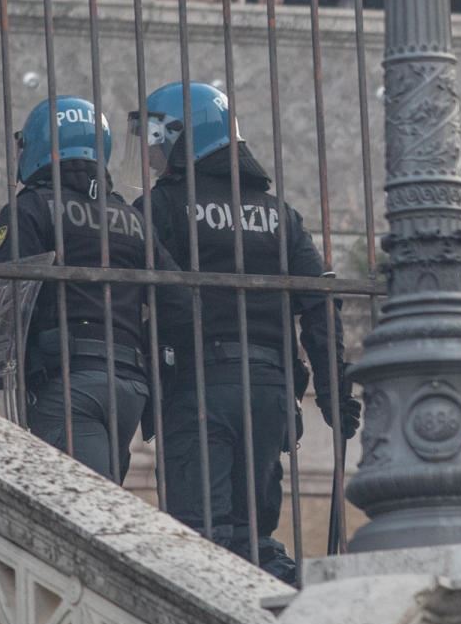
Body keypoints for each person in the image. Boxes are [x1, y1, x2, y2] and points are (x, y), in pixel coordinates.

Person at [139, 82, 356, 581]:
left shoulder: (164, 207)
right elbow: (320, 304)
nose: (149, 153)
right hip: (270, 392)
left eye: (154, 138)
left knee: (198, 538)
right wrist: (335, 395)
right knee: (253, 538)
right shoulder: (281, 216)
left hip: (199, 386)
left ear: (182, 136)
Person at [0, 97, 156, 480]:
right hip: (130, 384)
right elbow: (171, 290)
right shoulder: (131, 217)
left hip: (69, 380)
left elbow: (5, 296)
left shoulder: (29, 209)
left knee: (85, 513)